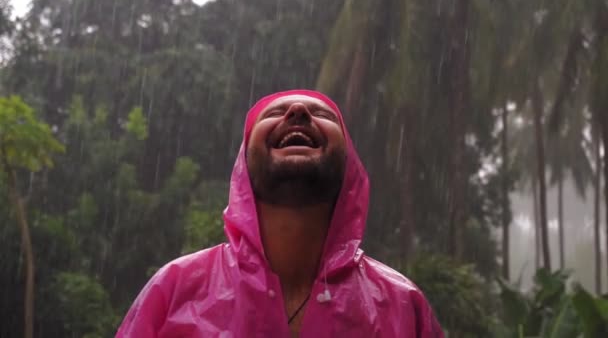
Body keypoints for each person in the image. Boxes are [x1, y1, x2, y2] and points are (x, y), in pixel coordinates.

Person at [116, 90, 443, 337]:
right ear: (244, 163)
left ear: (351, 166)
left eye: (321, 114)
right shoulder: (175, 289)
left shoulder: (402, 304)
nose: (298, 111)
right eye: (275, 113)